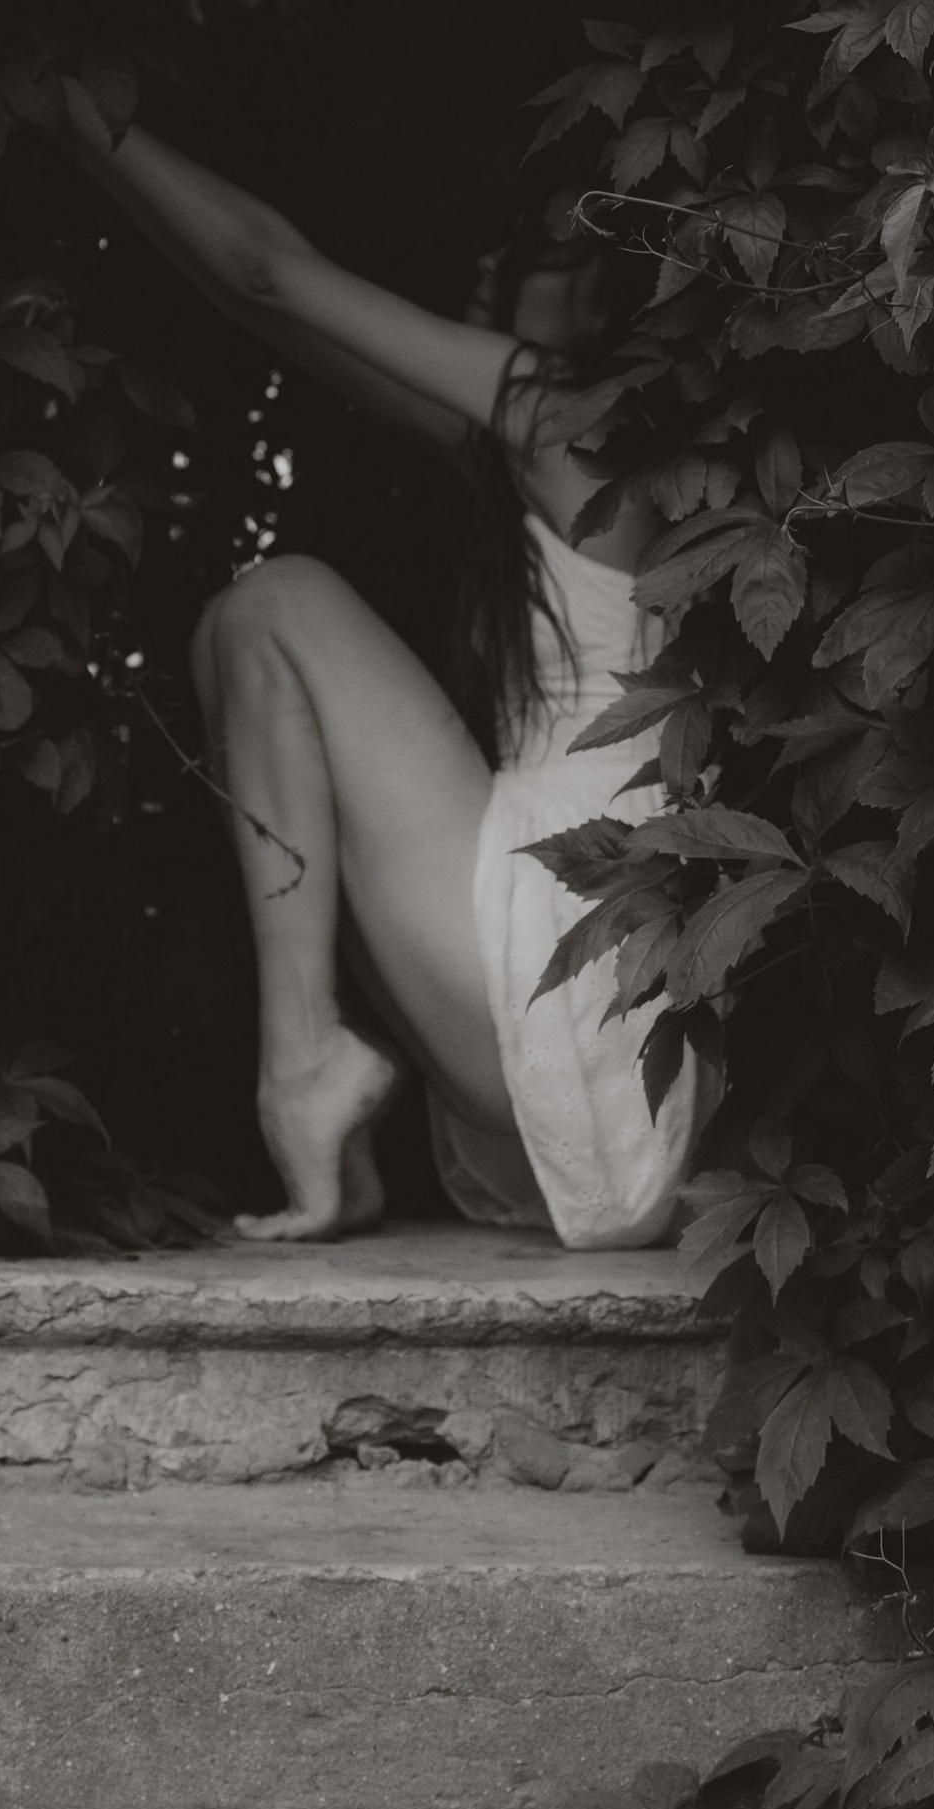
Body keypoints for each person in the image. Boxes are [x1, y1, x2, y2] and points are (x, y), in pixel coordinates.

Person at [36, 82, 699, 1251]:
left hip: (564, 981)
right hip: (593, 1028)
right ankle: (314, 1072)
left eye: (608, 265)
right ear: (490, 272)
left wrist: (68, 108)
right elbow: (267, 301)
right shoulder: (585, 463)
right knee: (233, 647)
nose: (585, 282)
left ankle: (305, 1062)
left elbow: (267, 276)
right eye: (556, 251)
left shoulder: (563, 422)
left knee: (274, 610)